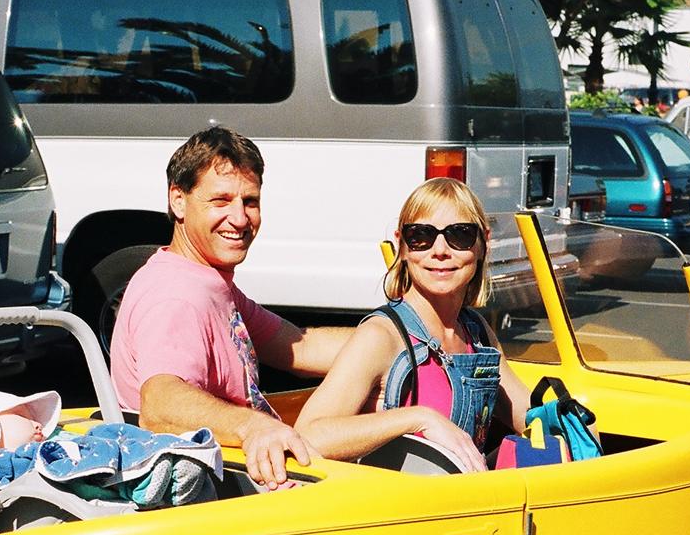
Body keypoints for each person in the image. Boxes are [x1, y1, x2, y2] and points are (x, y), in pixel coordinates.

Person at [108, 128, 349, 488]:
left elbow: (301, 345)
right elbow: (160, 403)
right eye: (220, 201)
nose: (239, 219)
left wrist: (400, 339)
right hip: (218, 491)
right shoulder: (175, 294)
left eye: (249, 202)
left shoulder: (208, 281)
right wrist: (255, 426)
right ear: (178, 200)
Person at [293, 178, 530, 472]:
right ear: (402, 246)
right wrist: (419, 418)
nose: (440, 250)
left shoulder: (477, 331)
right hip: (401, 511)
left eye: (460, 235)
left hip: (468, 507)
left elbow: (528, 415)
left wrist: (566, 421)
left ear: (483, 244)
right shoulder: (382, 336)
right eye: (421, 236)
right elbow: (310, 434)